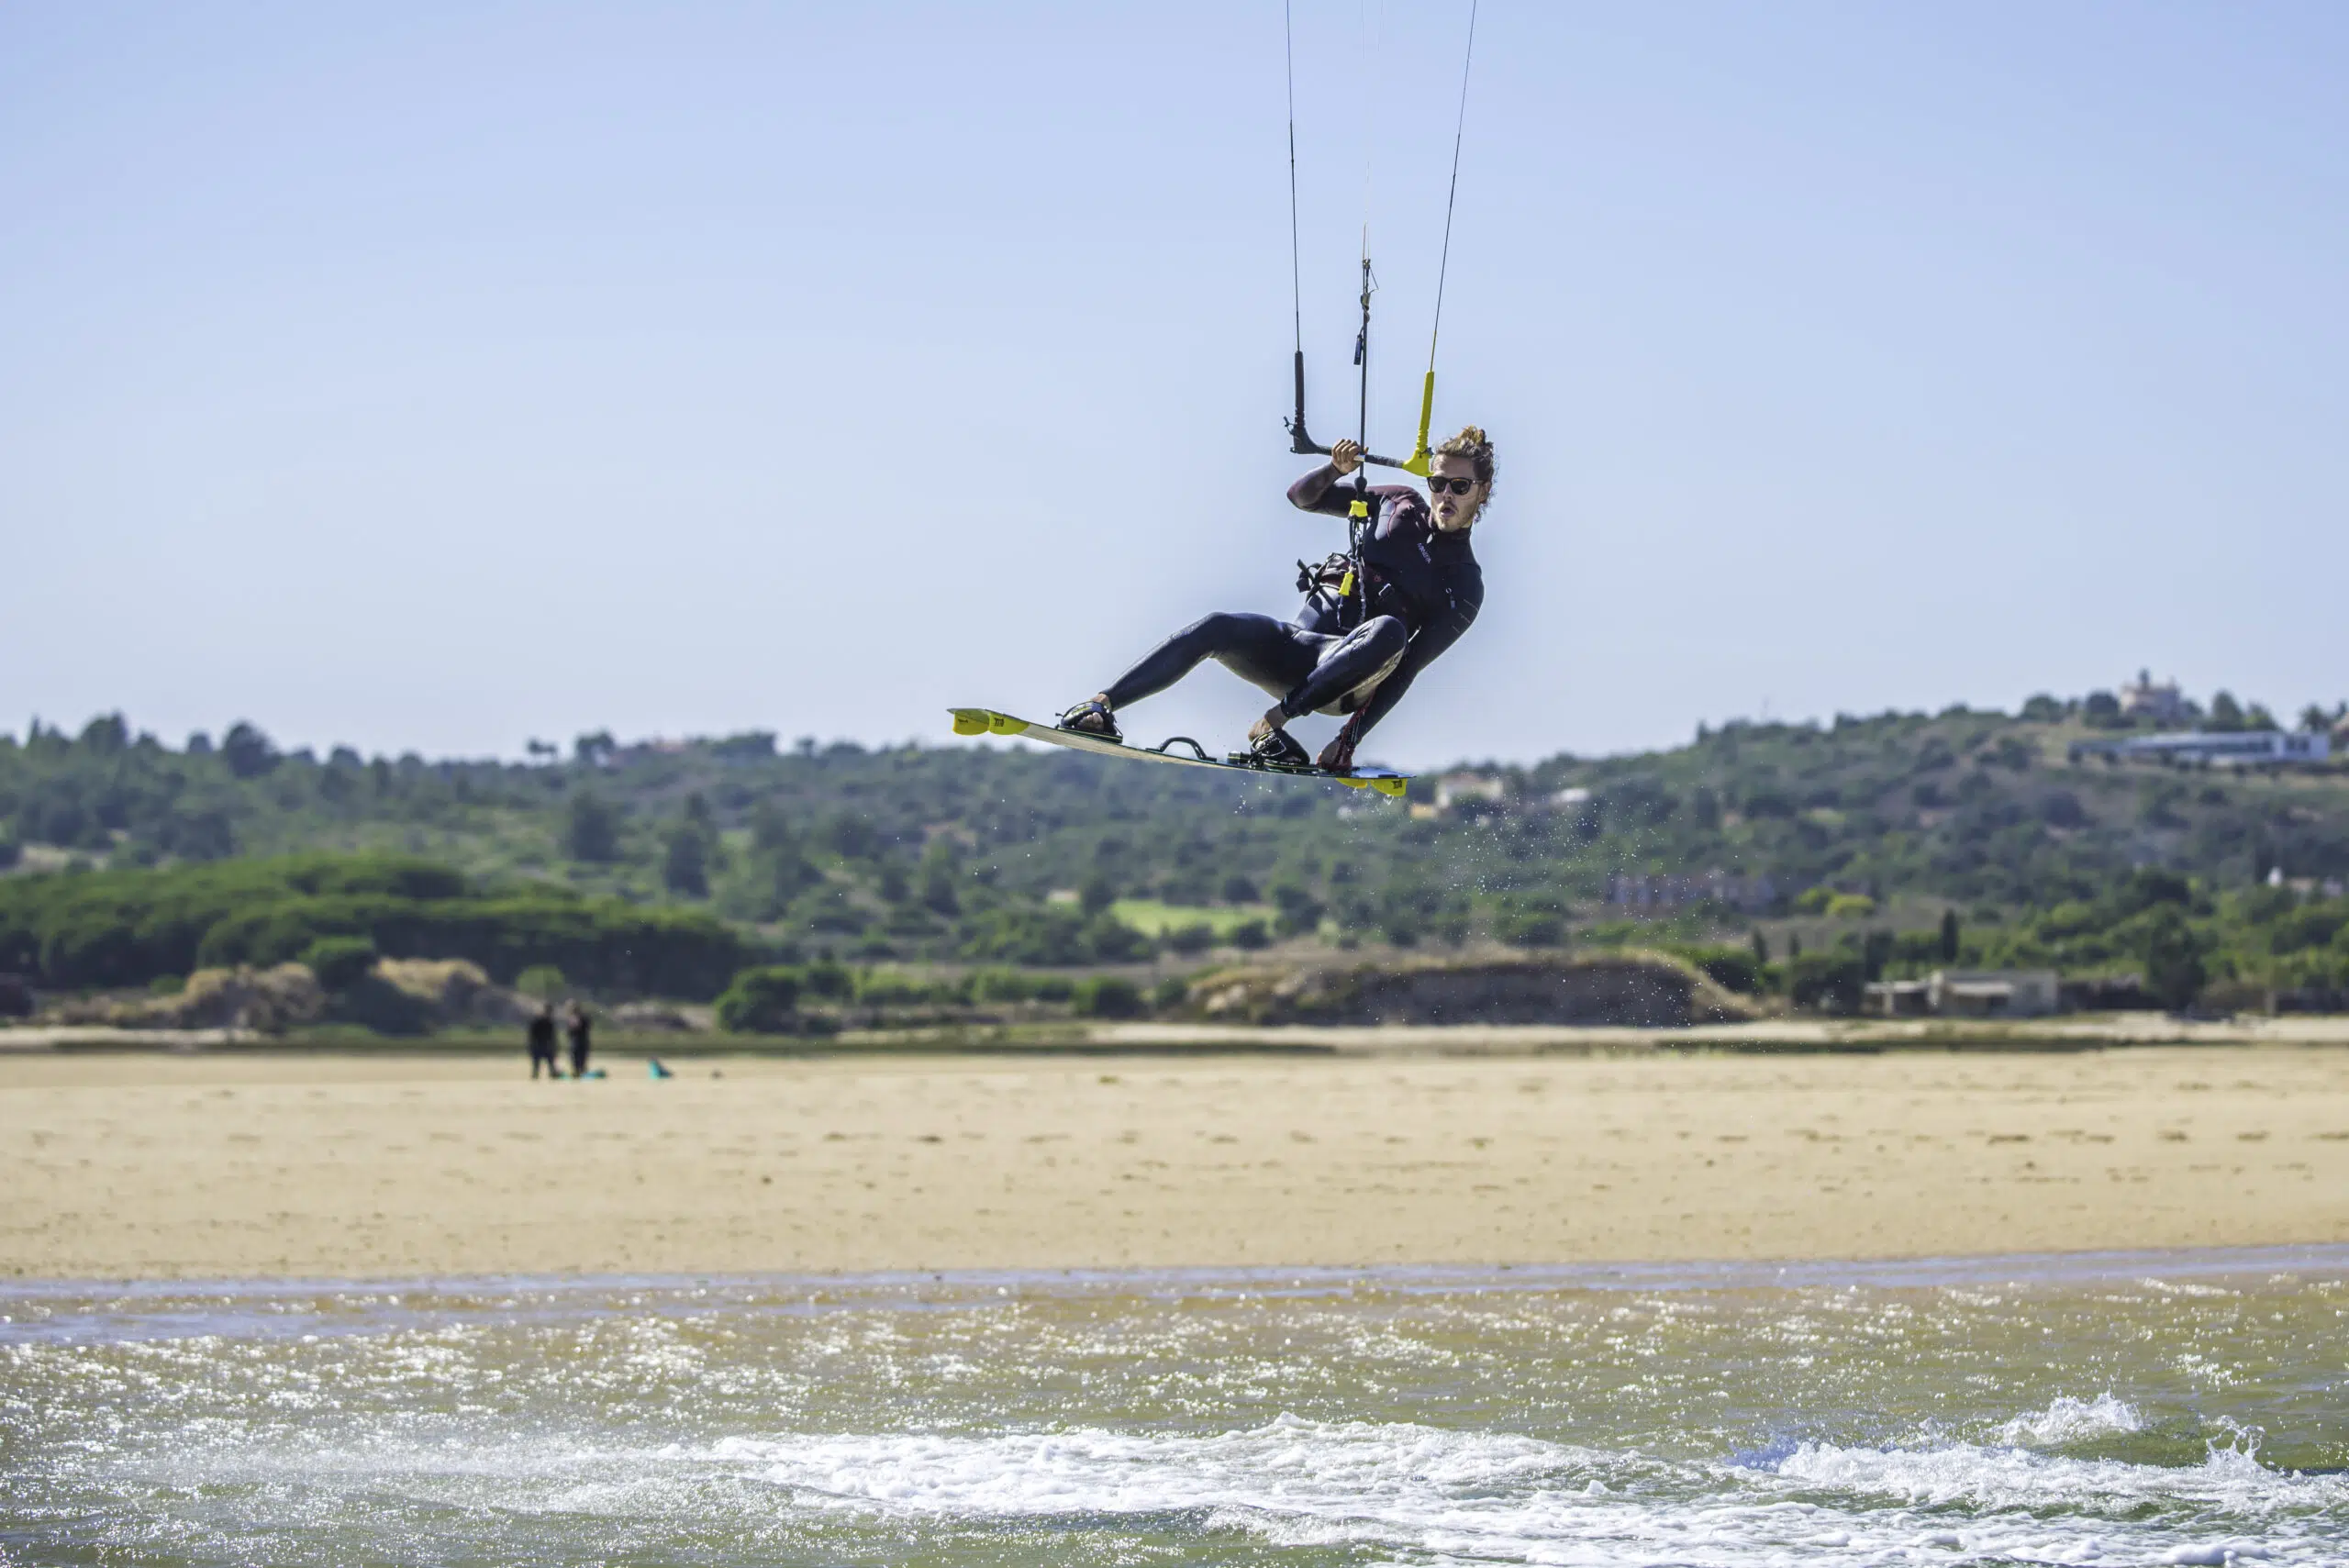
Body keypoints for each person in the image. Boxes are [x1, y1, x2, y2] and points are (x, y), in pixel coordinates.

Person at [1059, 426, 1493, 772]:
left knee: (1390, 630)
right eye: (1438, 482)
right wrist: (1333, 470)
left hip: (1343, 683)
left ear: (1482, 492)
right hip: (1297, 646)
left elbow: (1407, 669)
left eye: (1459, 486)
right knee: (1218, 626)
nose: (1445, 495)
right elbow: (1302, 498)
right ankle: (1100, 706)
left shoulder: (1464, 584)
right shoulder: (1398, 501)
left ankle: (1271, 725)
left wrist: (1348, 740)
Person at [527, 1003, 559, 1079]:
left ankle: (552, 1075)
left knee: (551, 1064)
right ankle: (536, 1077)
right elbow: (532, 1035)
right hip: (538, 1045)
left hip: (547, 1045)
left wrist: (554, 1045)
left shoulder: (549, 1022)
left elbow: (552, 1036)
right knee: (536, 1065)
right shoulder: (537, 1021)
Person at [564, 1000, 593, 1079]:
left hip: (580, 1041)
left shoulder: (581, 1018)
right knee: (575, 1058)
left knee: (581, 1057)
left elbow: (585, 1028)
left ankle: (580, 1071)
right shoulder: (572, 1018)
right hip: (576, 1041)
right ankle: (577, 1071)